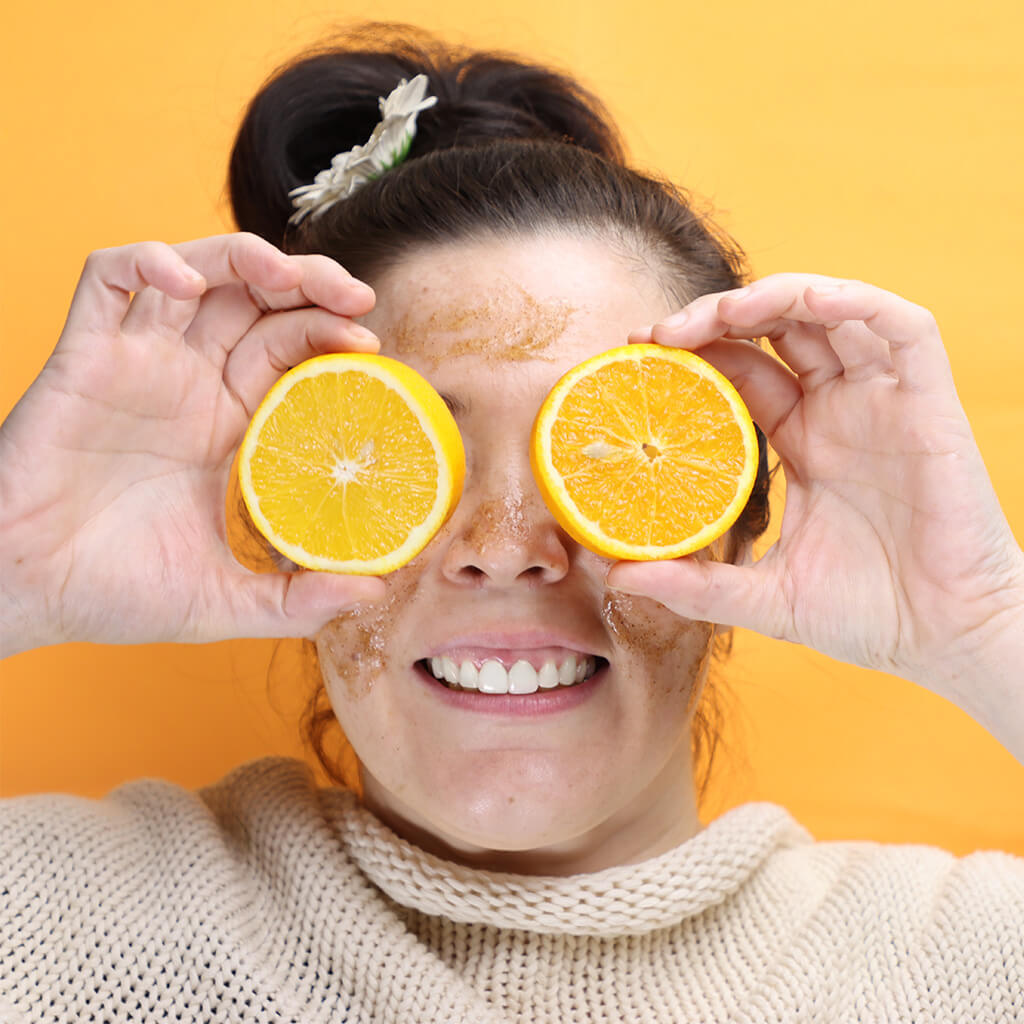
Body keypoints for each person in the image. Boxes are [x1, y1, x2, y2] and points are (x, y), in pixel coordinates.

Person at [1, 24, 1022, 1024]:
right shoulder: (53, 923)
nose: (501, 547)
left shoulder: (972, 960)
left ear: (735, 521)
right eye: (417, 459)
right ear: (298, 510)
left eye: (601, 457)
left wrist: (986, 627)